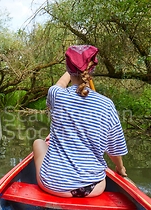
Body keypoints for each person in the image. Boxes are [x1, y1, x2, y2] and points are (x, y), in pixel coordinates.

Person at [33, 45, 128, 198]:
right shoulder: (107, 104)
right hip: (92, 188)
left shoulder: (56, 95)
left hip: (53, 185)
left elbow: (59, 85)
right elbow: (114, 150)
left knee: (38, 142)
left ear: (68, 68)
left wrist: (72, 69)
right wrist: (120, 168)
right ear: (91, 70)